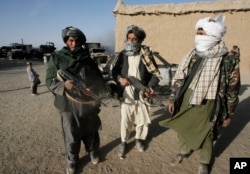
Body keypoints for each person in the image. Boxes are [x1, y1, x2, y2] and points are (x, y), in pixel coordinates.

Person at [159, 14, 241, 174]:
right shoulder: (193, 53)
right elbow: (180, 76)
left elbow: (233, 87)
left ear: (213, 35)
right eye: (198, 32)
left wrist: (228, 113)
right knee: (182, 126)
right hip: (186, 96)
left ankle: (204, 161)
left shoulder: (226, 58)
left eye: (201, 33)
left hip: (208, 100)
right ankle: (183, 151)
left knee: (206, 132)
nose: (198, 36)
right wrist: (172, 98)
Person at [45, 26, 106, 174]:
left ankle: (92, 151)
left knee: (91, 130)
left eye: (77, 41)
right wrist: (64, 85)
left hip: (87, 102)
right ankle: (72, 160)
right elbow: (49, 81)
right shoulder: (57, 58)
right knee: (71, 133)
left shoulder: (87, 59)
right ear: (66, 41)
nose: (74, 43)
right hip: (68, 103)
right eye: (71, 40)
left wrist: (93, 87)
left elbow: (99, 78)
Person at [112, 25, 161, 158]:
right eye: (129, 38)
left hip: (142, 92)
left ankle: (139, 139)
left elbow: (155, 74)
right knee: (126, 120)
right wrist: (120, 79)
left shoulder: (146, 54)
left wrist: (150, 87)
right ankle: (123, 142)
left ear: (139, 41)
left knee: (141, 118)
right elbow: (114, 71)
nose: (131, 41)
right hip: (126, 93)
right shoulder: (122, 55)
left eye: (134, 39)